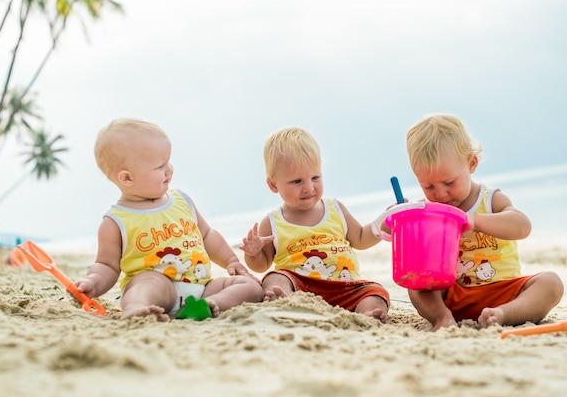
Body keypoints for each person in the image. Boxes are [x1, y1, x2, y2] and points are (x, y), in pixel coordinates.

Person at [76, 118, 263, 321]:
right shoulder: (115, 221)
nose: (169, 169)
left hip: (201, 288)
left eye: (168, 162)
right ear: (127, 178)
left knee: (250, 286)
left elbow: (207, 234)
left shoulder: (182, 200)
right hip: (158, 290)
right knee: (147, 282)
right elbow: (107, 266)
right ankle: (137, 308)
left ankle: (209, 305)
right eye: (160, 166)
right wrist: (93, 283)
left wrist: (231, 260)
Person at [405, 114, 564, 331]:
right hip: (454, 296)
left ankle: (502, 315)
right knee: (416, 284)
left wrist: (476, 222)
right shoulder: (429, 211)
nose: (440, 194)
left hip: (503, 292)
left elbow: (522, 226)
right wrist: (401, 217)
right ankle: (442, 318)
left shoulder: (490, 199)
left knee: (551, 283)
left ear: (471, 164)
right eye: (428, 187)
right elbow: (410, 248)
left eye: (449, 182)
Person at [239, 126, 391, 323]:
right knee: (275, 277)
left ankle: (368, 315)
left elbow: (361, 238)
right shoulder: (273, 221)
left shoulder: (336, 209)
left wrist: (385, 223)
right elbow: (261, 265)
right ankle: (280, 300)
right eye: (297, 181)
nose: (308, 187)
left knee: (375, 291)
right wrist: (253, 253)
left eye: (315, 178)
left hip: (344, 287)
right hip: (300, 287)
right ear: (273, 185)